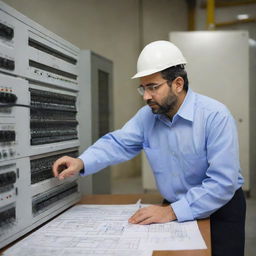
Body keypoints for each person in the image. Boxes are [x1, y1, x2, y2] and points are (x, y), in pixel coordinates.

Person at [52, 40, 246, 256]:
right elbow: (118, 143)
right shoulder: (148, 117)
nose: (146, 96)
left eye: (153, 87)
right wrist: (81, 162)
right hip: (172, 207)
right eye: (143, 88)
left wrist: (172, 212)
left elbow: (222, 182)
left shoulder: (215, 116)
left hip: (220, 208)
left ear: (178, 84)